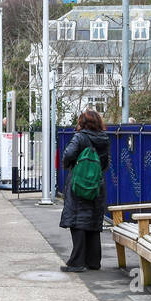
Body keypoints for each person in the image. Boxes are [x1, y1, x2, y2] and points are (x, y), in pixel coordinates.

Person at [59, 109, 111, 272]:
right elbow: (105, 163)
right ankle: (93, 261)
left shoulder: (80, 137)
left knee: (78, 220)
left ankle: (77, 262)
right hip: (96, 183)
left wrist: (71, 166)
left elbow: (68, 155)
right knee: (93, 221)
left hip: (79, 183)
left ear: (82, 123)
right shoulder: (104, 138)